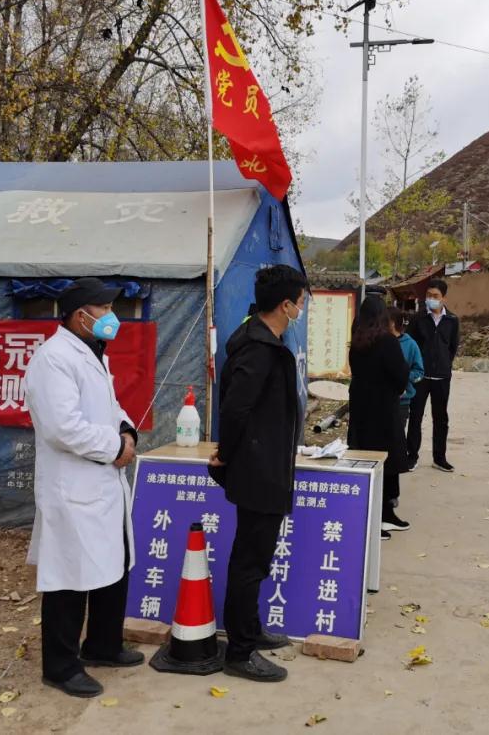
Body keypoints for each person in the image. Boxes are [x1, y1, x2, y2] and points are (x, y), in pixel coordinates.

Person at [24, 277, 143, 699]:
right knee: (69, 577)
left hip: (104, 483)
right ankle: (60, 667)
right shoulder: (53, 359)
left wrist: (126, 431)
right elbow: (62, 428)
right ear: (81, 315)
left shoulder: (93, 351)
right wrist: (115, 448)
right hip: (73, 487)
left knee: (114, 563)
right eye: (105, 309)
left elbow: (109, 408)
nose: (112, 316)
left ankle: (103, 646)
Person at [210, 264, 307, 681]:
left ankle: (250, 629)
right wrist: (226, 456)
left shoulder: (267, 341)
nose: (301, 309)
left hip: (267, 464)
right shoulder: (258, 348)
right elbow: (235, 409)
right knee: (249, 562)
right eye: (300, 302)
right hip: (258, 469)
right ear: (285, 305)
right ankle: (240, 652)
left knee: (255, 559)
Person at [348, 297, 410, 540]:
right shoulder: (387, 341)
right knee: (387, 461)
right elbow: (400, 375)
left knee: (368, 460)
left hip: (362, 408)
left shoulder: (357, 341)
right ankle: (378, 520)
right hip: (383, 409)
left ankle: (384, 514)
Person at [407, 279, 460, 473]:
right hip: (420, 377)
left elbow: (452, 347)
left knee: (441, 419)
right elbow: (410, 345)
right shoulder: (418, 318)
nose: (431, 299)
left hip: (442, 377)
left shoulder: (452, 320)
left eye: (435, 296)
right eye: (428, 295)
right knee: (415, 417)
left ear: (444, 298)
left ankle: (439, 458)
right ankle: (412, 456)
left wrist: (444, 364)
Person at [391, 305, 425, 480]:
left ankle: (397, 466)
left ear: (392, 323)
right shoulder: (379, 341)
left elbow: (419, 371)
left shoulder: (410, 345)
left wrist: (404, 377)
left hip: (402, 400)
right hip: (382, 399)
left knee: (397, 435)